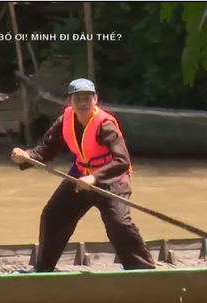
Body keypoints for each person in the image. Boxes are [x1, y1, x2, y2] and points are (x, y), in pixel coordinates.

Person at [10, 78, 156, 272]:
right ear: (69, 101)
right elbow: (46, 150)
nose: (82, 103)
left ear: (95, 99)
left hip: (111, 179)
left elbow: (122, 162)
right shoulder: (65, 121)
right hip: (80, 177)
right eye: (77, 98)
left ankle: (142, 269)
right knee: (53, 215)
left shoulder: (105, 125)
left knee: (118, 222)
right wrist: (26, 156)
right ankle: (43, 269)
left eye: (87, 98)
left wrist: (94, 178)